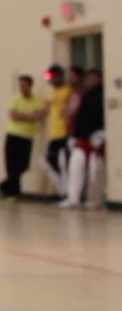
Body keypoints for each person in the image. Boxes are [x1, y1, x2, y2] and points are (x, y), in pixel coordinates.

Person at [59, 68, 107, 209]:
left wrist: (103, 133)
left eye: (93, 78)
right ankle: (73, 198)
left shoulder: (103, 95)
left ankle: (94, 200)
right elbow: (80, 117)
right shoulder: (84, 95)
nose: (90, 80)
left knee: (95, 168)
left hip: (97, 136)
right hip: (82, 136)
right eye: (89, 78)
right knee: (75, 164)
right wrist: (75, 135)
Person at [0, 74, 46, 201]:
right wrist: (29, 116)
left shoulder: (38, 100)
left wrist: (23, 116)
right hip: (13, 134)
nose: (21, 87)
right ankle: (13, 192)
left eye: (24, 85)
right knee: (11, 164)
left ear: (30, 85)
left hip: (27, 136)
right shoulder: (15, 99)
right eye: (20, 85)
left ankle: (3, 186)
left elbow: (39, 116)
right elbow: (13, 115)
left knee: (23, 165)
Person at [40, 64, 74, 195]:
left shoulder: (68, 90)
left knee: (65, 163)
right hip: (55, 134)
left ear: (60, 77)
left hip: (65, 133)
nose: (50, 81)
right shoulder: (53, 94)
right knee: (49, 162)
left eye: (52, 78)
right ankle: (64, 191)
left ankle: (70, 192)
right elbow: (45, 110)